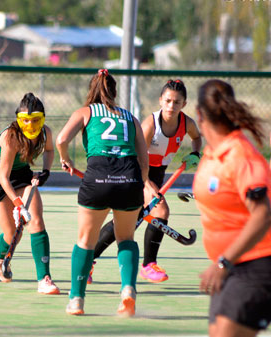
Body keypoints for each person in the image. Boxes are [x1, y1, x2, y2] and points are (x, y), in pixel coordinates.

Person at [56, 69, 157, 316]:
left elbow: (60, 140)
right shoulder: (131, 118)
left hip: (97, 178)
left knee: (85, 241)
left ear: (91, 90)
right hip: (129, 178)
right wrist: (136, 184)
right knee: (126, 238)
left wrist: (65, 159)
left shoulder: (84, 112)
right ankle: (128, 291)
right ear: (114, 92)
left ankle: (77, 300)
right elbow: (144, 162)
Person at [90, 79, 202, 283]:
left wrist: (195, 153)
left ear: (184, 104)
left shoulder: (187, 123)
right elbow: (134, 156)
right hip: (135, 170)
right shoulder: (151, 124)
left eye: (177, 102)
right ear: (160, 100)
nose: (171, 106)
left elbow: (196, 137)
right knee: (160, 210)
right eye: (167, 101)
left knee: (126, 221)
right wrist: (147, 184)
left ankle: (89, 260)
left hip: (157, 174)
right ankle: (149, 265)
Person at [193, 79, 271, 337]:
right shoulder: (212, 153)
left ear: (199, 114)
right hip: (229, 266)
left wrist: (224, 262)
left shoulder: (240, 155)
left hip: (257, 264)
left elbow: (263, 214)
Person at [0, 93, 60, 295]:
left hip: (22, 175)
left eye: (35, 120)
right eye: (25, 120)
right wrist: (18, 204)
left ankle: (44, 279)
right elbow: (3, 178)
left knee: (36, 221)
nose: (30, 125)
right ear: (18, 119)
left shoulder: (45, 133)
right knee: (12, 234)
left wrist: (46, 171)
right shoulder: (11, 137)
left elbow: (50, 151)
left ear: (42, 119)